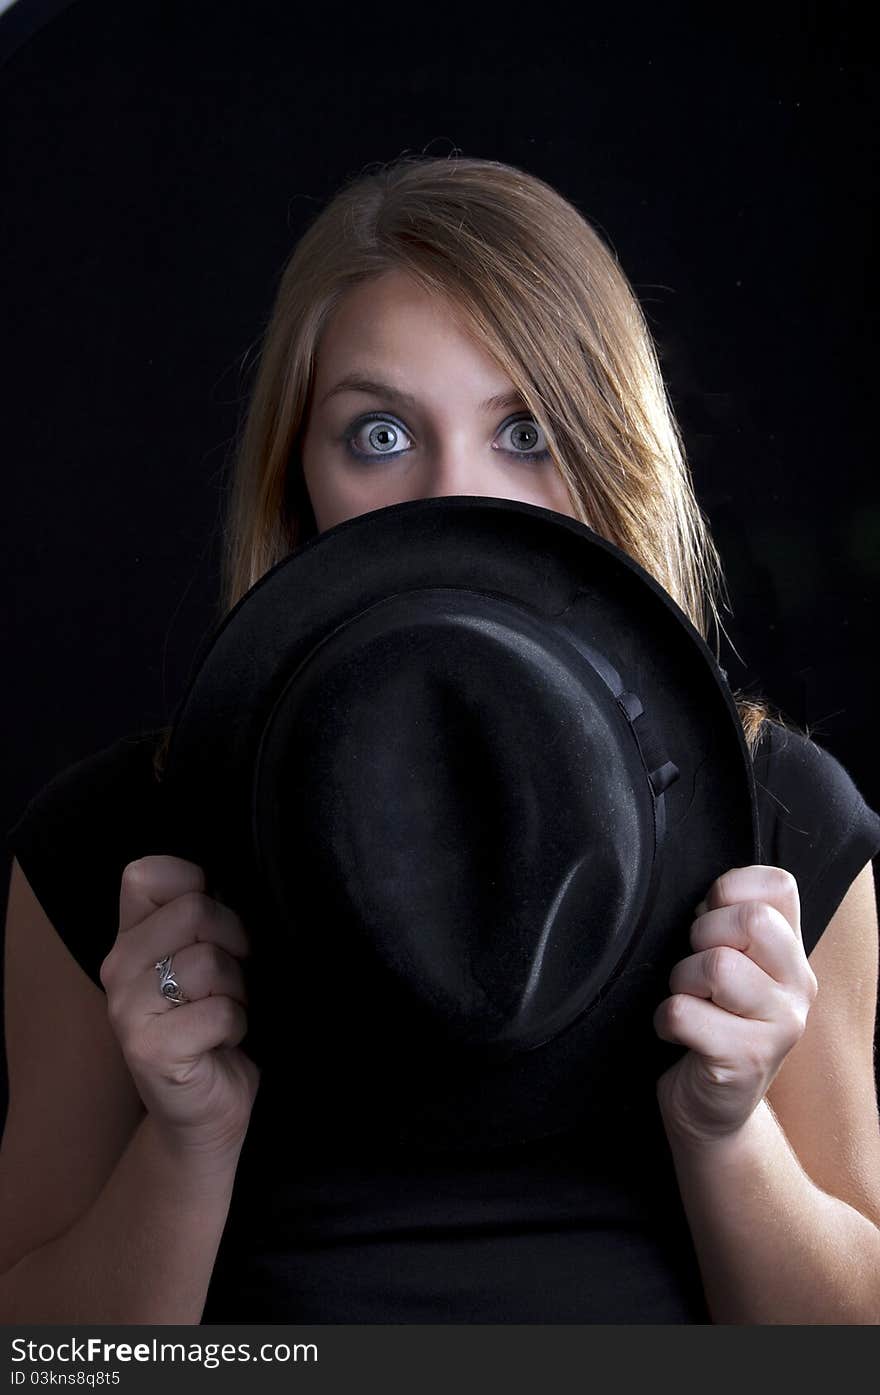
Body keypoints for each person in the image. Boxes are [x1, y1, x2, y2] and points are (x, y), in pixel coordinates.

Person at [2, 154, 880, 1326]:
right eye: (377, 434)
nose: (450, 494)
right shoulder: (111, 848)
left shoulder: (782, 824)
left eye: (526, 432)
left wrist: (726, 1133)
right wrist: (189, 1139)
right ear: (294, 479)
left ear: (610, 456)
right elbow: (51, 1359)